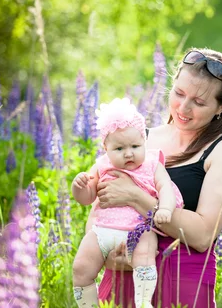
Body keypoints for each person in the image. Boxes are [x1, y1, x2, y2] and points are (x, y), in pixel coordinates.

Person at [94, 48, 222, 308]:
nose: (183, 108)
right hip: (122, 278)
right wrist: (103, 255)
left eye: (198, 102)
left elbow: (202, 234)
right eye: (179, 93)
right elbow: (99, 209)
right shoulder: (140, 140)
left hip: (181, 284)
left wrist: (136, 197)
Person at [72, 97, 183, 308]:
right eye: (119, 149)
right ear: (106, 148)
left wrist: (165, 209)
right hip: (103, 231)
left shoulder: (152, 164)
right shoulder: (101, 166)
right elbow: (87, 198)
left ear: (144, 140)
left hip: (139, 229)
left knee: (144, 256)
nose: (129, 153)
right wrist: (79, 187)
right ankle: (88, 305)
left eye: (135, 145)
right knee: (80, 267)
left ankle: (143, 302)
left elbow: (165, 187)